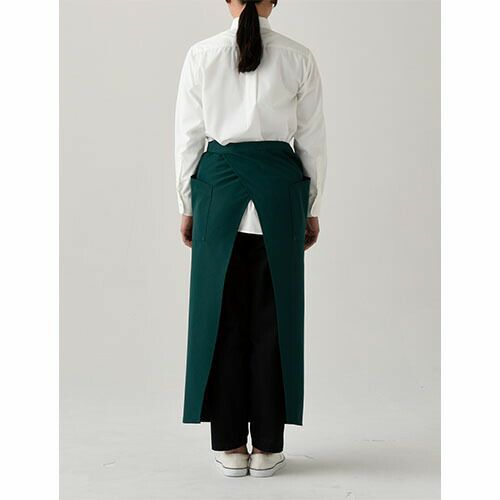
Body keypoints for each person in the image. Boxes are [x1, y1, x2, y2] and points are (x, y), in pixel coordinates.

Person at [174, 0, 327, 477]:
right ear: (274, 1)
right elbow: (312, 141)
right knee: (274, 319)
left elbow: (188, 137)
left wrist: (187, 204)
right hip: (279, 196)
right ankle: (267, 446)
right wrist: (311, 207)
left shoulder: (202, 54)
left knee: (220, 319)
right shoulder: (299, 57)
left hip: (219, 193)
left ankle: (229, 446)